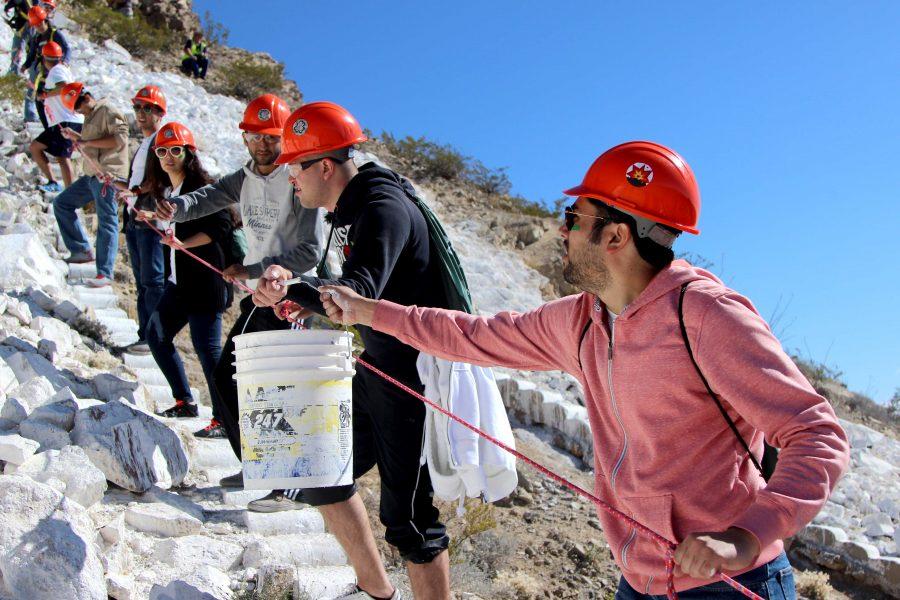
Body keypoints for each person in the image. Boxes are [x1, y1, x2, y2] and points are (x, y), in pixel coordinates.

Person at [262, 141, 853, 599]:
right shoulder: (582, 319)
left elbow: (817, 435)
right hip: (642, 580)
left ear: (615, 235)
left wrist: (745, 536)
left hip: (732, 584)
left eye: (574, 217)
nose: (561, 231)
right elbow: (471, 335)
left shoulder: (707, 317)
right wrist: (369, 311)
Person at [249, 101, 454, 600]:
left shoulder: (381, 207)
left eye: (295, 166)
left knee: (409, 518)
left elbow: (356, 293)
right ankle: (376, 592)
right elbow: (344, 291)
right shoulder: (347, 209)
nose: (290, 178)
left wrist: (295, 287)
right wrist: (300, 296)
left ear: (324, 166)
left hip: (412, 377)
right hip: (375, 367)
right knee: (322, 472)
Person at [152, 94, 324, 457]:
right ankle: (256, 467)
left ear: (285, 138)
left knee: (274, 390)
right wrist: (176, 206)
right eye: (256, 136)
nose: (263, 144)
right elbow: (207, 197)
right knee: (237, 383)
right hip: (261, 295)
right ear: (245, 137)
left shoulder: (296, 180)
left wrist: (252, 269)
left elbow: (310, 251)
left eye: (272, 136)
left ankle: (281, 481)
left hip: (291, 299)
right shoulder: (242, 179)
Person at [138, 122, 233, 423]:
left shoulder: (203, 188)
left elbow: (221, 225)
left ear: (188, 153)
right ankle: (184, 401)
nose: (167, 156)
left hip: (205, 283)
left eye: (175, 150)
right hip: (178, 283)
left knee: (208, 352)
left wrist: (184, 244)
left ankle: (224, 419)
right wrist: (151, 216)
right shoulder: (169, 190)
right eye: (161, 151)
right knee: (156, 335)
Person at [53, 83, 129, 287]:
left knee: (107, 222)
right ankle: (81, 250)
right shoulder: (90, 116)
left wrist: (86, 143)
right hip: (91, 175)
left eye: (77, 106)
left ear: (85, 98)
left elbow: (121, 139)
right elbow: (93, 142)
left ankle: (105, 273)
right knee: (62, 203)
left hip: (108, 175)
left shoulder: (108, 110)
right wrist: (77, 138)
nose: (77, 111)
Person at [117, 85, 168, 355]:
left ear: (160, 112)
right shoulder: (144, 144)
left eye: (147, 108)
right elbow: (137, 181)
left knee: (153, 281)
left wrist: (134, 191)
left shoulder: (162, 141)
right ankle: (145, 335)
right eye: (137, 107)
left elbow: (158, 180)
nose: (140, 113)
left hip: (150, 222)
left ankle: (156, 338)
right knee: (143, 282)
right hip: (136, 219)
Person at [29, 40, 80, 193]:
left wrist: (45, 95)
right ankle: (53, 182)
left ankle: (69, 193)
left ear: (44, 59)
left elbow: (64, 86)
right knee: (35, 147)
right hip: (62, 121)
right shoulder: (63, 68)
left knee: (63, 158)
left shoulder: (56, 71)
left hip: (66, 121)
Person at [20, 5, 68, 125]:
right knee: (39, 100)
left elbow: (67, 48)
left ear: (44, 20)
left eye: (40, 24)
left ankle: (59, 126)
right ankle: (47, 127)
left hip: (55, 74)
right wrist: (25, 65)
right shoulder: (37, 38)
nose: (39, 27)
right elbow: (32, 53)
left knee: (55, 101)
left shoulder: (55, 34)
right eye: (36, 25)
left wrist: (65, 61)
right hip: (42, 75)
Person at [4, 0, 33, 75]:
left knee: (18, 49)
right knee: (30, 50)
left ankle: (14, 73)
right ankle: (31, 72)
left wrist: (7, 7)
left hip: (24, 28)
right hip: (30, 27)